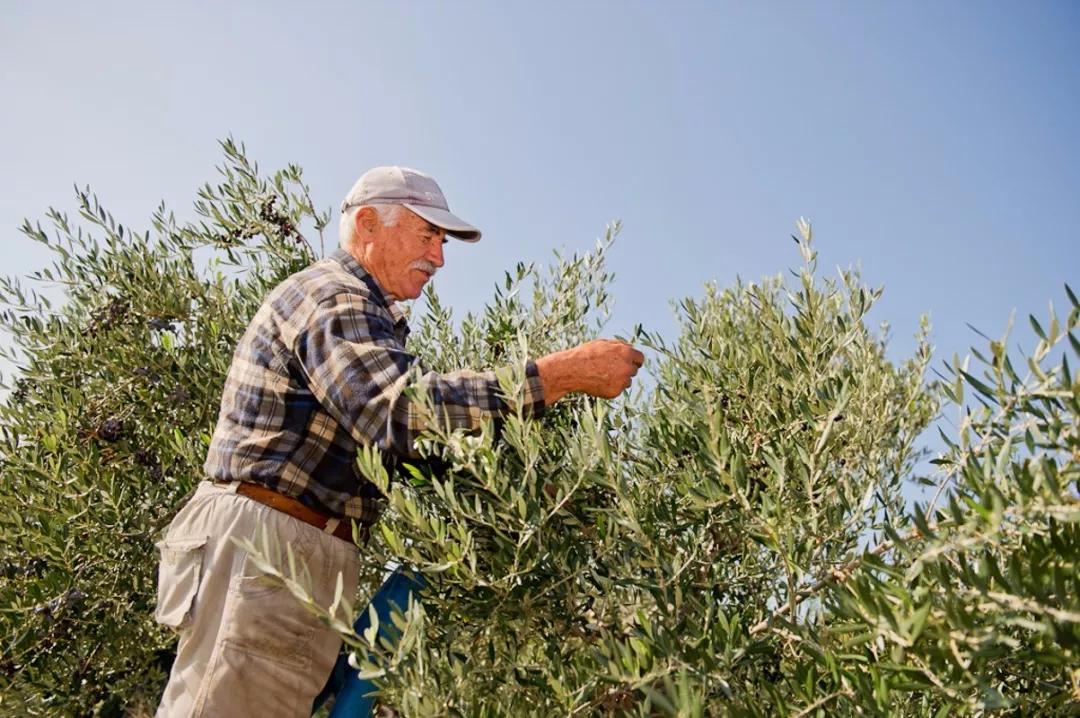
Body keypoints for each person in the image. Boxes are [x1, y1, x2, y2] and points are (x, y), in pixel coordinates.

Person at [152, 166, 644, 717]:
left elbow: (402, 444)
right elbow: (396, 412)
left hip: (291, 548)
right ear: (367, 223)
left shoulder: (368, 316)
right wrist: (552, 377)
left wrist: (521, 486)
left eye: (442, 242)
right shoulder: (333, 297)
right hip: (270, 546)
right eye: (428, 234)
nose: (439, 258)